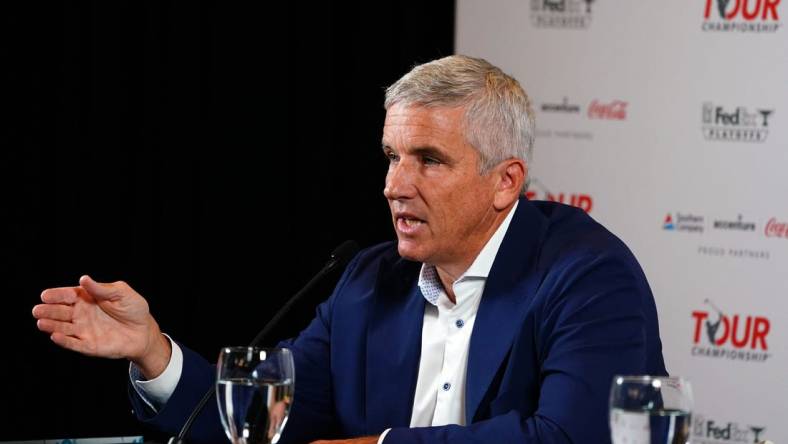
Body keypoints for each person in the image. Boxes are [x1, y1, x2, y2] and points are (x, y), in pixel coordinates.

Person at [33, 55, 666, 443]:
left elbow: (572, 437)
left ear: (505, 181)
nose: (394, 185)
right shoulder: (370, 278)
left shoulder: (587, 274)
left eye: (429, 160)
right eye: (392, 156)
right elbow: (271, 417)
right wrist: (153, 351)